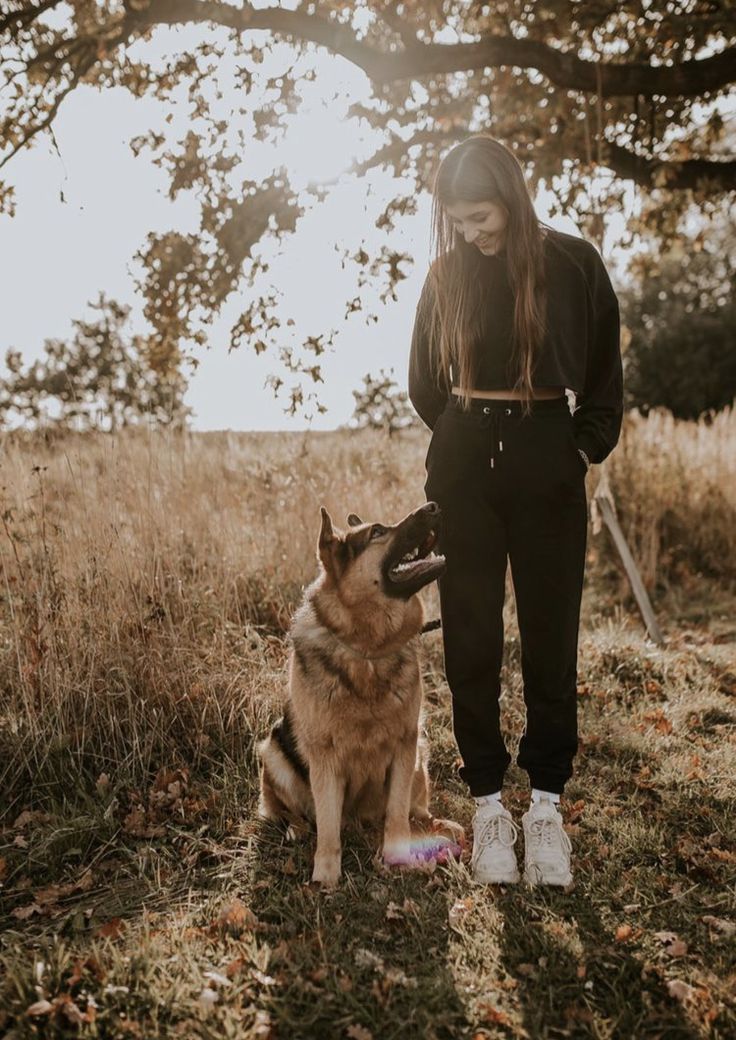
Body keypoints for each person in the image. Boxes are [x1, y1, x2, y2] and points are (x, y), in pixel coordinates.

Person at [407, 134, 623, 887]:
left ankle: (547, 810)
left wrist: (578, 452)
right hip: (465, 464)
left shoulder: (573, 263)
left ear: (511, 194)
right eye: (457, 221)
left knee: (549, 633)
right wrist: (464, 441)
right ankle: (490, 804)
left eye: (479, 216)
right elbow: (422, 384)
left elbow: (603, 380)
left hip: (547, 458)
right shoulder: (446, 275)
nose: (470, 233)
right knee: (470, 633)